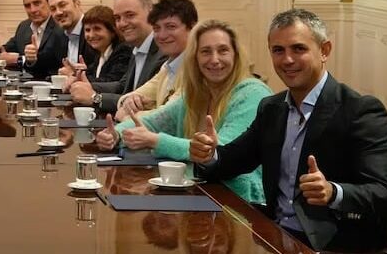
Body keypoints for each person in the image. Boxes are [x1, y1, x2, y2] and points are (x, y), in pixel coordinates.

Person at [188, 9, 387, 254]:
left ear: (324, 50)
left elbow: (382, 193)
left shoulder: (360, 111)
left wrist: (333, 192)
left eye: (298, 49)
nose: (287, 60)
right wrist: (209, 154)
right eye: (278, 50)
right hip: (274, 243)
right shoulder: (272, 108)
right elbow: (232, 161)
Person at [97, 20, 271, 203]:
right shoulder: (196, 94)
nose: (214, 59)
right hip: (197, 192)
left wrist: (156, 141)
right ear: (195, 58)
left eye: (223, 50)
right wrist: (115, 134)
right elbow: (151, 122)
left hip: (241, 201)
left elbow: (223, 152)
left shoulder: (252, 94)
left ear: (236, 55)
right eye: (206, 52)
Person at [68, 0, 166, 113]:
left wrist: (96, 98)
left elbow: (144, 103)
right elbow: (122, 86)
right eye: (118, 18)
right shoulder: (137, 48)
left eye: (130, 15)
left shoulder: (163, 53)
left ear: (151, 14)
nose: (122, 23)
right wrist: (85, 85)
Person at [115, 0, 198, 121]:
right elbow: (127, 98)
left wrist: (127, 115)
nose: (162, 35)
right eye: (157, 28)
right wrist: (130, 101)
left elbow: (168, 117)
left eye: (171, 27)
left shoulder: (197, 68)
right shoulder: (167, 67)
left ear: (192, 27)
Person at [0, 0, 67, 78]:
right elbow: (7, 48)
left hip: (50, 82)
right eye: (27, 6)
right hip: (24, 82)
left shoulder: (60, 26)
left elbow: (54, 62)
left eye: (37, 3)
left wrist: (19, 60)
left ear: (48, 2)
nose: (32, 10)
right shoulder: (24, 26)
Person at [79, 5, 131, 83]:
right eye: (87, 30)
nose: (91, 35)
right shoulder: (99, 54)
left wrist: (78, 79)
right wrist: (77, 73)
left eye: (97, 29)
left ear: (112, 31)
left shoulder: (124, 51)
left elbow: (111, 82)